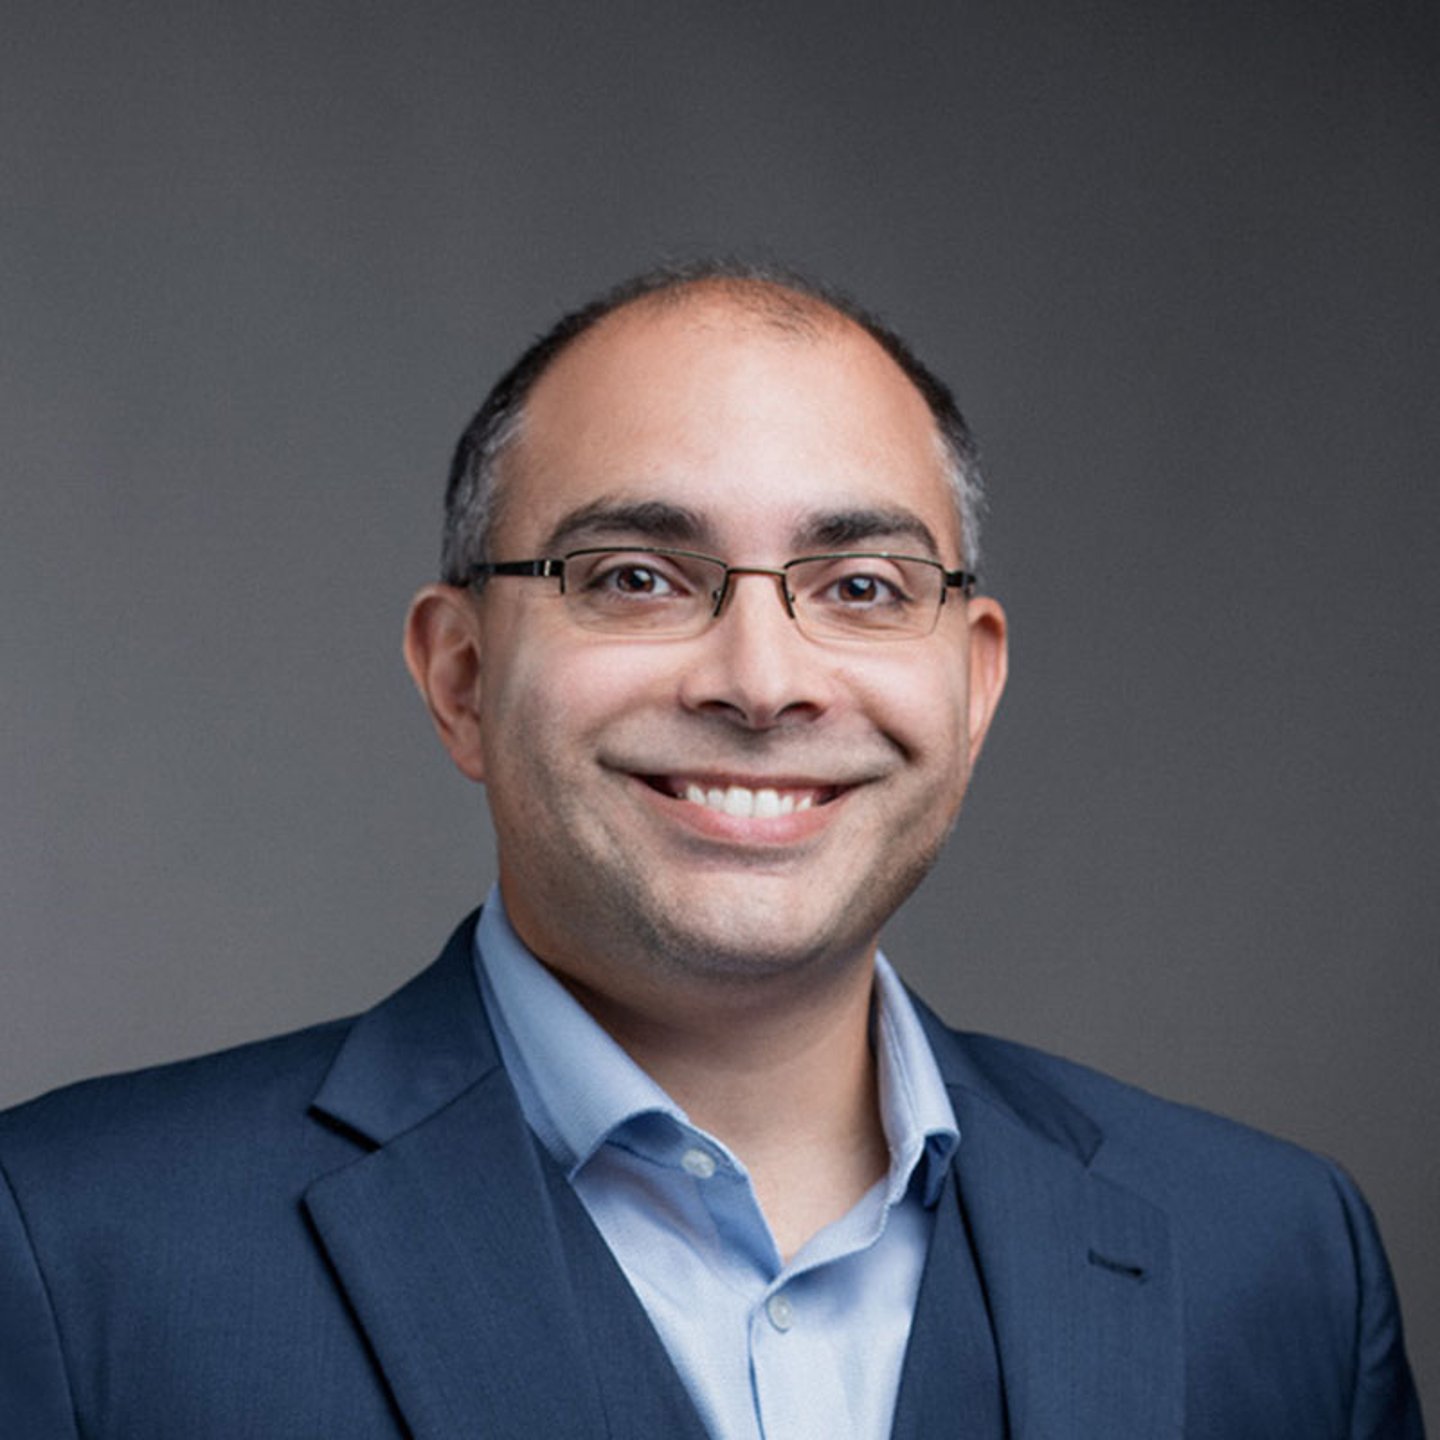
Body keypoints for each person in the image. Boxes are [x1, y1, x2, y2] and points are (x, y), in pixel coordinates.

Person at [0, 263, 1423, 1439]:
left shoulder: (1274, 1256)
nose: (761, 679)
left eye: (861, 587)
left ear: (975, 685)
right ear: (461, 677)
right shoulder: (72, 1253)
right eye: (635, 577)